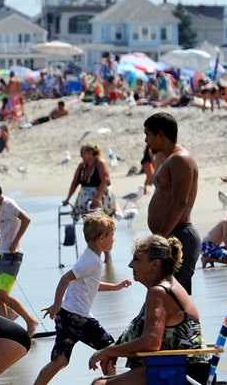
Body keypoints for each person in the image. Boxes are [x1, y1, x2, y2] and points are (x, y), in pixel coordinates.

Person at [87, 235, 207, 385]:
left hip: (182, 373)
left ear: (155, 264)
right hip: (173, 368)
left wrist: (108, 351)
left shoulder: (159, 292)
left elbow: (151, 342)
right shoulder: (165, 286)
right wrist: (114, 350)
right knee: (100, 381)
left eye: (136, 259)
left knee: (99, 384)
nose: (130, 265)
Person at [34, 213, 132, 385]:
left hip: (66, 315)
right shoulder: (93, 261)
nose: (114, 239)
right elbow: (65, 278)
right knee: (111, 350)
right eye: (112, 236)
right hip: (78, 316)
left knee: (60, 360)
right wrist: (56, 304)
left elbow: (91, 284)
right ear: (101, 238)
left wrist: (115, 287)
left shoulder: (88, 256)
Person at [143, 112, 200, 293]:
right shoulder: (165, 158)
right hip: (168, 235)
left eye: (148, 135)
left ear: (161, 135)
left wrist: (159, 238)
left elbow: (179, 202)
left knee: (170, 297)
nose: (146, 140)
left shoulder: (181, 159)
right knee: (163, 298)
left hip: (179, 236)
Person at [0, 179, 38, 336]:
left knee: (3, 294)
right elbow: (0, 227)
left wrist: (15, 242)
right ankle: (5, 332)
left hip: (13, 256)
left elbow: (26, 219)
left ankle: (31, 321)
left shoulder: (9, 204)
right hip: (2, 255)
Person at [63, 143, 115, 216]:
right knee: (86, 219)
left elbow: (105, 180)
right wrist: (68, 199)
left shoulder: (100, 163)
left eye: (82, 153)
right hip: (84, 199)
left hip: (100, 197)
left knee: (101, 219)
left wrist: (97, 198)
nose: (80, 155)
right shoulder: (82, 165)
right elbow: (75, 183)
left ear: (90, 153)